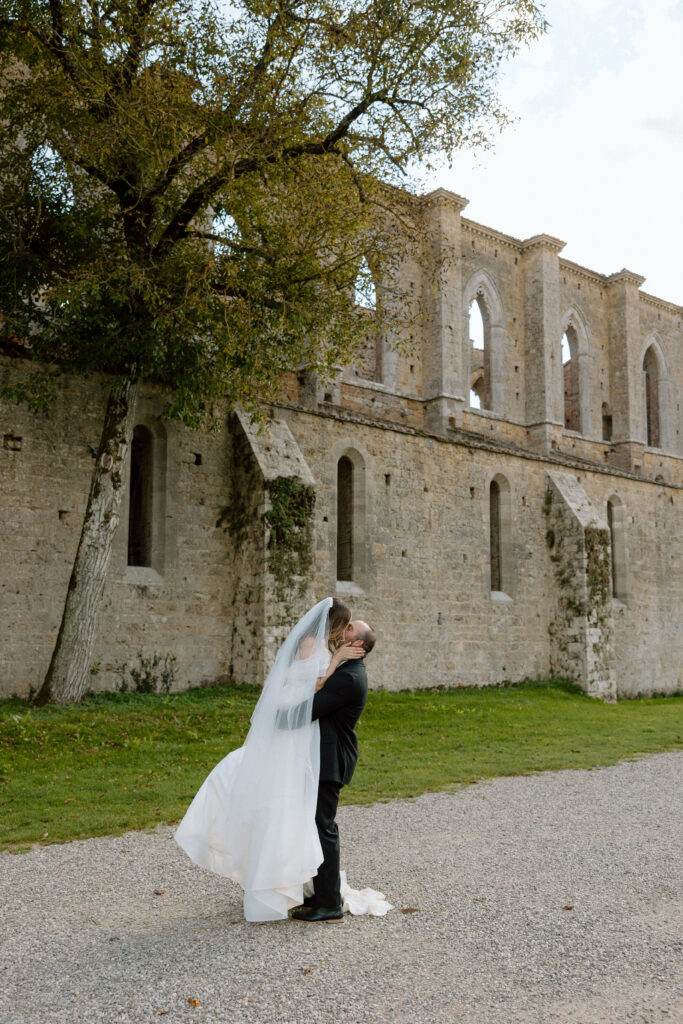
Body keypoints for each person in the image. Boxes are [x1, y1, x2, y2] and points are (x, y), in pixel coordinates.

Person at [174, 597, 362, 922]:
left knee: (296, 815)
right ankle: (293, 888)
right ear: (333, 623)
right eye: (344, 625)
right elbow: (312, 684)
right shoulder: (311, 644)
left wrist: (335, 660)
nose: (345, 633)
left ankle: (303, 888)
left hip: (303, 735)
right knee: (282, 808)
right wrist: (335, 662)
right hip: (293, 730)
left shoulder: (321, 647)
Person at [291, 618, 376, 923]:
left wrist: (276, 715)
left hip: (331, 759)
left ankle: (329, 905)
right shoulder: (343, 669)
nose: (343, 628)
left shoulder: (349, 678)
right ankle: (320, 894)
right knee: (316, 826)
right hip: (323, 756)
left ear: (357, 644)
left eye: (350, 628)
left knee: (323, 827)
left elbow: (309, 710)